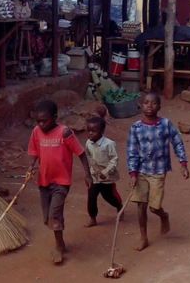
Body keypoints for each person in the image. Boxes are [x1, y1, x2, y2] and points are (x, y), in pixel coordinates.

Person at [27, 99, 93, 264]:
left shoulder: (65, 133)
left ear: (55, 117)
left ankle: (59, 247)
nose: (41, 124)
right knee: (47, 218)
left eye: (45, 120)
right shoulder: (36, 131)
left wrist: (87, 174)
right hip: (44, 180)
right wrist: (31, 166)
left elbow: (81, 153)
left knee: (54, 215)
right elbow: (34, 150)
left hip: (61, 181)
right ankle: (60, 238)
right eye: (38, 121)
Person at [126, 92, 189, 251]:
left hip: (158, 171)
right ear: (141, 106)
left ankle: (163, 215)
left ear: (159, 107)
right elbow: (132, 151)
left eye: (153, 103)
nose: (149, 106)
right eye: (146, 102)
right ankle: (143, 237)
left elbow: (177, 143)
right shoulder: (136, 128)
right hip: (141, 171)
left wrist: (183, 163)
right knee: (141, 205)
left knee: (154, 207)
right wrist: (132, 173)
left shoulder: (166, 124)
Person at [83, 116, 123, 228]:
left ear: (102, 131)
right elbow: (88, 155)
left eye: (94, 131)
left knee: (109, 196)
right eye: (89, 131)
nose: (90, 133)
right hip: (94, 176)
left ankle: (119, 206)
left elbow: (114, 159)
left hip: (107, 177)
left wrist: (105, 172)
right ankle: (93, 218)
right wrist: (89, 172)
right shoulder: (88, 143)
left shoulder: (109, 144)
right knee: (91, 197)